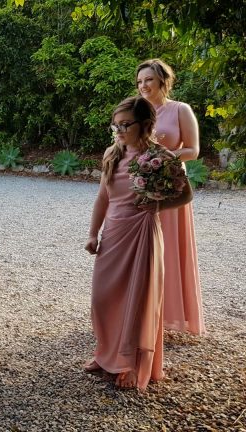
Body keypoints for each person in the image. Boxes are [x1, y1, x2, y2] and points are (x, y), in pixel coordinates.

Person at [84, 96, 193, 390]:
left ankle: (132, 364)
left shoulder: (162, 157)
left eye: (124, 125)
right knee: (103, 298)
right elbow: (103, 197)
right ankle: (105, 354)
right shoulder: (112, 153)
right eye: (115, 125)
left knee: (139, 299)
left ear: (144, 125)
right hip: (114, 232)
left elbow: (186, 195)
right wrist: (93, 233)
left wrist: (157, 207)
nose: (118, 130)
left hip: (143, 231)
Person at [136, 59, 205, 335]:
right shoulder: (136, 111)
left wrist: (162, 157)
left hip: (171, 185)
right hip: (141, 185)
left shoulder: (180, 110)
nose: (143, 86)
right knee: (142, 248)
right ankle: (141, 312)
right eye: (140, 81)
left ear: (163, 80)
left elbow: (193, 150)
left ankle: (170, 315)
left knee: (169, 248)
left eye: (149, 80)